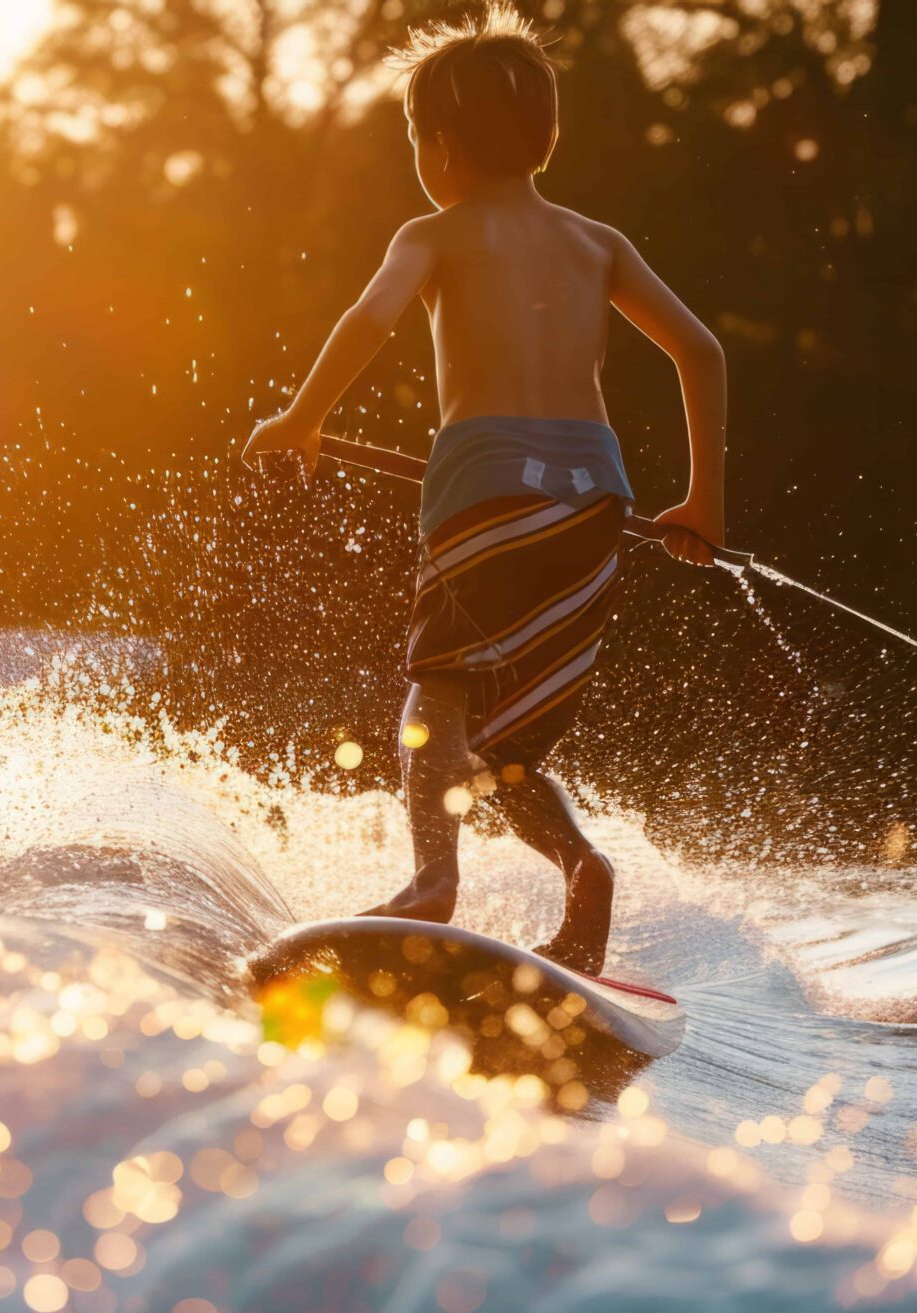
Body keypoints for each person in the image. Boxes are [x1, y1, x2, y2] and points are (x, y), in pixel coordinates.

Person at [240, 2, 727, 974]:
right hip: (598, 498)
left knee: (438, 689)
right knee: (507, 742)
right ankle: (582, 871)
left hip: (485, 485)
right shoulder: (598, 242)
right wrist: (702, 502)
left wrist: (301, 418)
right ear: (545, 136)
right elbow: (702, 352)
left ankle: (432, 881)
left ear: (440, 146)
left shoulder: (434, 233)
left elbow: (367, 321)